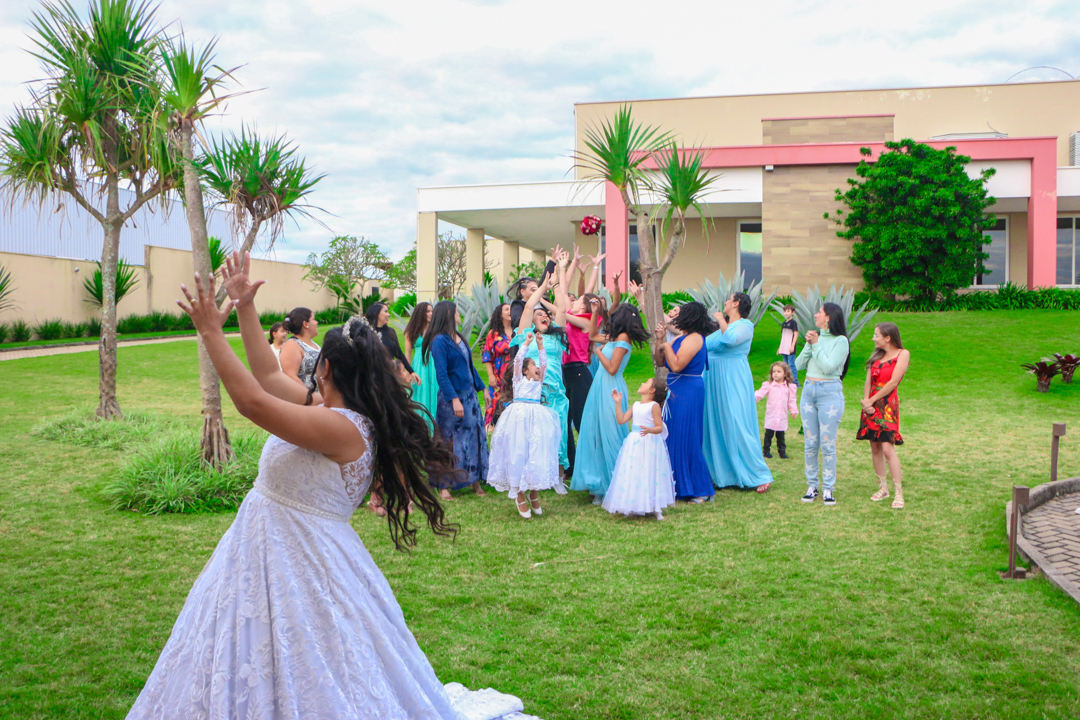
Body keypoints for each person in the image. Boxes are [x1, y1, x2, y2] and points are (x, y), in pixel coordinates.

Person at [129, 252, 524, 719]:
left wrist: (211, 333)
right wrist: (244, 308)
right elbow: (267, 376)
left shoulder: (342, 427)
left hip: (303, 565)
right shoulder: (325, 409)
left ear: (326, 369)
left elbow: (252, 403)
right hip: (263, 552)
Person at [570, 288, 650, 502]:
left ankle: (614, 483)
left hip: (611, 388)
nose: (612, 319)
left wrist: (597, 351)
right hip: (600, 386)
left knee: (610, 433)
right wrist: (595, 312)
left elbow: (613, 368)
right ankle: (599, 483)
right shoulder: (614, 337)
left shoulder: (623, 338)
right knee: (596, 431)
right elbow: (593, 335)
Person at [703, 292, 775, 493]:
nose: (725, 302)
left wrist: (720, 319)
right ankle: (721, 474)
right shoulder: (723, 327)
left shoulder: (745, 325)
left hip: (732, 376)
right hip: (713, 377)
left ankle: (758, 474)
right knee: (715, 422)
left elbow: (731, 340)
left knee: (736, 421)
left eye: (729, 299)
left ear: (736, 304)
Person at [487, 333, 563, 518]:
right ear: (524, 371)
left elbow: (544, 363)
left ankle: (533, 492)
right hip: (519, 420)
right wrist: (527, 343)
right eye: (533, 365)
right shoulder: (518, 380)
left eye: (537, 365)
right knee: (519, 453)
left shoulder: (539, 380)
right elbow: (518, 359)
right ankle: (519, 494)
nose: (537, 368)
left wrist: (540, 345)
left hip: (536, 418)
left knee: (535, 454)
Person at [424, 301, 489, 500]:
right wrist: (454, 399)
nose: (459, 315)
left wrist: (483, 388)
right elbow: (442, 374)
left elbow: (470, 367)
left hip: (470, 397)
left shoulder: (459, 337)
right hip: (451, 398)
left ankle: (474, 480)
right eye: (456, 312)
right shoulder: (439, 341)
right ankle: (443, 485)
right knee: (448, 441)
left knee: (473, 437)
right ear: (448, 315)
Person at [511, 270, 571, 471]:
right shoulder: (525, 335)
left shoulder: (556, 336)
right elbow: (528, 306)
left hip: (556, 390)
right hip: (535, 391)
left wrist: (555, 285)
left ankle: (558, 476)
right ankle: (535, 472)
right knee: (537, 432)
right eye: (539, 315)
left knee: (559, 430)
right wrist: (542, 287)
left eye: (546, 315)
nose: (544, 316)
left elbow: (562, 309)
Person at [655, 301, 715, 503]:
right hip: (675, 389)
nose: (676, 317)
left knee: (687, 436)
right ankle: (676, 485)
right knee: (672, 434)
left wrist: (666, 346)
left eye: (680, 314)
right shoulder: (681, 338)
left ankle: (699, 489)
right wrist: (660, 340)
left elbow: (677, 365)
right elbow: (661, 362)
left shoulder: (695, 338)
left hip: (688, 390)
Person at [796, 302, 851, 506]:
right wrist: (809, 345)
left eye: (819, 312)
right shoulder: (815, 339)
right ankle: (812, 486)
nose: (815, 315)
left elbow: (828, 367)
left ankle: (828, 488)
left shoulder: (841, 341)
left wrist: (816, 344)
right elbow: (798, 365)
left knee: (827, 444)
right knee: (810, 444)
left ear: (828, 317)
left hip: (829, 393)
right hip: (808, 392)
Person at [602, 378, 675, 520]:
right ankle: (633, 504)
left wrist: (650, 430)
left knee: (650, 471)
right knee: (635, 471)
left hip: (649, 443)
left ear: (651, 390)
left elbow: (659, 427)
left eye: (646, 383)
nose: (642, 383)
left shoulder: (653, 406)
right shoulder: (635, 405)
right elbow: (621, 420)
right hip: (635, 442)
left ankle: (655, 507)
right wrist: (617, 403)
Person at [857, 322, 910, 509]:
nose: (873, 338)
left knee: (888, 449)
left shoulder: (903, 354)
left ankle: (898, 492)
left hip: (887, 406)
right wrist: (866, 403)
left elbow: (893, 382)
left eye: (876, 335)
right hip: (871, 406)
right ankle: (883, 488)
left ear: (888, 338)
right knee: (875, 447)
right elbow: (868, 381)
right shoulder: (876, 356)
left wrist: (872, 400)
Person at [561, 251, 605, 475]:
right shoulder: (573, 315)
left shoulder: (588, 320)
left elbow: (585, 295)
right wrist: (564, 268)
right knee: (565, 422)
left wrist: (543, 302)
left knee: (581, 422)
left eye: (577, 301)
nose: (574, 300)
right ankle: (571, 465)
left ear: (583, 307)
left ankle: (594, 465)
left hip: (579, 374)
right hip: (565, 373)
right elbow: (567, 294)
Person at [366, 302, 419, 386]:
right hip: (372, 377)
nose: (389, 314)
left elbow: (399, 353)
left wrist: (411, 372)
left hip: (389, 375)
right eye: (385, 311)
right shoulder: (367, 332)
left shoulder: (391, 332)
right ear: (376, 313)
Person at [755, 362, 799, 459]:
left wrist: (793, 411)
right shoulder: (769, 385)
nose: (775, 373)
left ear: (785, 373)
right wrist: (751, 399)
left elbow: (792, 400)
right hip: (771, 415)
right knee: (768, 434)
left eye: (779, 371)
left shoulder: (789, 387)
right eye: (774, 371)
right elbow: (759, 394)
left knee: (781, 436)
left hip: (782, 415)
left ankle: (782, 452)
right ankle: (766, 451)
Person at [403, 302, 437, 428]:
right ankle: (422, 427)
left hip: (434, 364)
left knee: (434, 391)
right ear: (421, 313)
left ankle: (435, 427)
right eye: (428, 311)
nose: (431, 313)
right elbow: (407, 353)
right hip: (419, 365)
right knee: (420, 393)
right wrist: (408, 371)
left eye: (432, 311)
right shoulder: (411, 331)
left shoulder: (436, 329)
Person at [481, 303, 513, 429]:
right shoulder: (493, 334)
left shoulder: (518, 330)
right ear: (500, 314)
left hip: (515, 372)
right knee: (496, 399)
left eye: (511, 309)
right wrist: (490, 375)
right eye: (506, 309)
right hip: (499, 373)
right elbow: (487, 355)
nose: (510, 311)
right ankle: (492, 427)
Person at [279, 306, 320, 392]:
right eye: (313, 319)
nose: (317, 322)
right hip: (306, 398)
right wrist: (310, 396)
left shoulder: (314, 344)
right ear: (305, 324)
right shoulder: (292, 345)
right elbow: (290, 376)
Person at [778, 304, 800, 385]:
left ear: (793, 312)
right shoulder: (784, 323)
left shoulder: (793, 323)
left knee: (791, 365)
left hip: (790, 348)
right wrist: (780, 348)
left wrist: (792, 346)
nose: (786, 313)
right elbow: (783, 337)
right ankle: (788, 381)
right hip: (784, 348)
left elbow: (796, 334)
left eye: (788, 311)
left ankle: (795, 382)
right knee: (785, 365)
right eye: (785, 311)